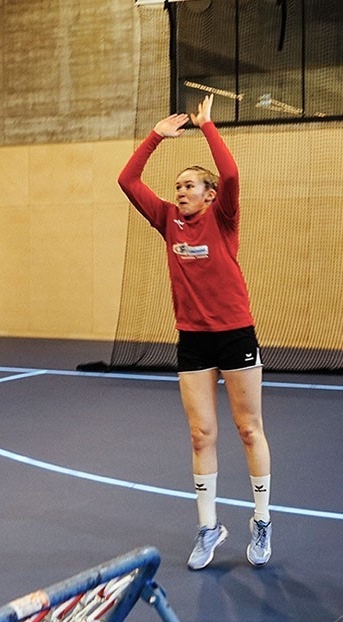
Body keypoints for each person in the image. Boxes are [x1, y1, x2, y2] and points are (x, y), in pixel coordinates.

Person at [117, 95, 272, 570]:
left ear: (208, 195)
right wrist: (155, 138)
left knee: (248, 428)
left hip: (235, 335)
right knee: (202, 433)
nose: (181, 191)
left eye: (190, 186)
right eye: (178, 185)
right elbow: (127, 180)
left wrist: (207, 127)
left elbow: (231, 176)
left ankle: (262, 521)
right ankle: (208, 528)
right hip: (194, 339)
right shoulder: (167, 220)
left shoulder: (222, 218)